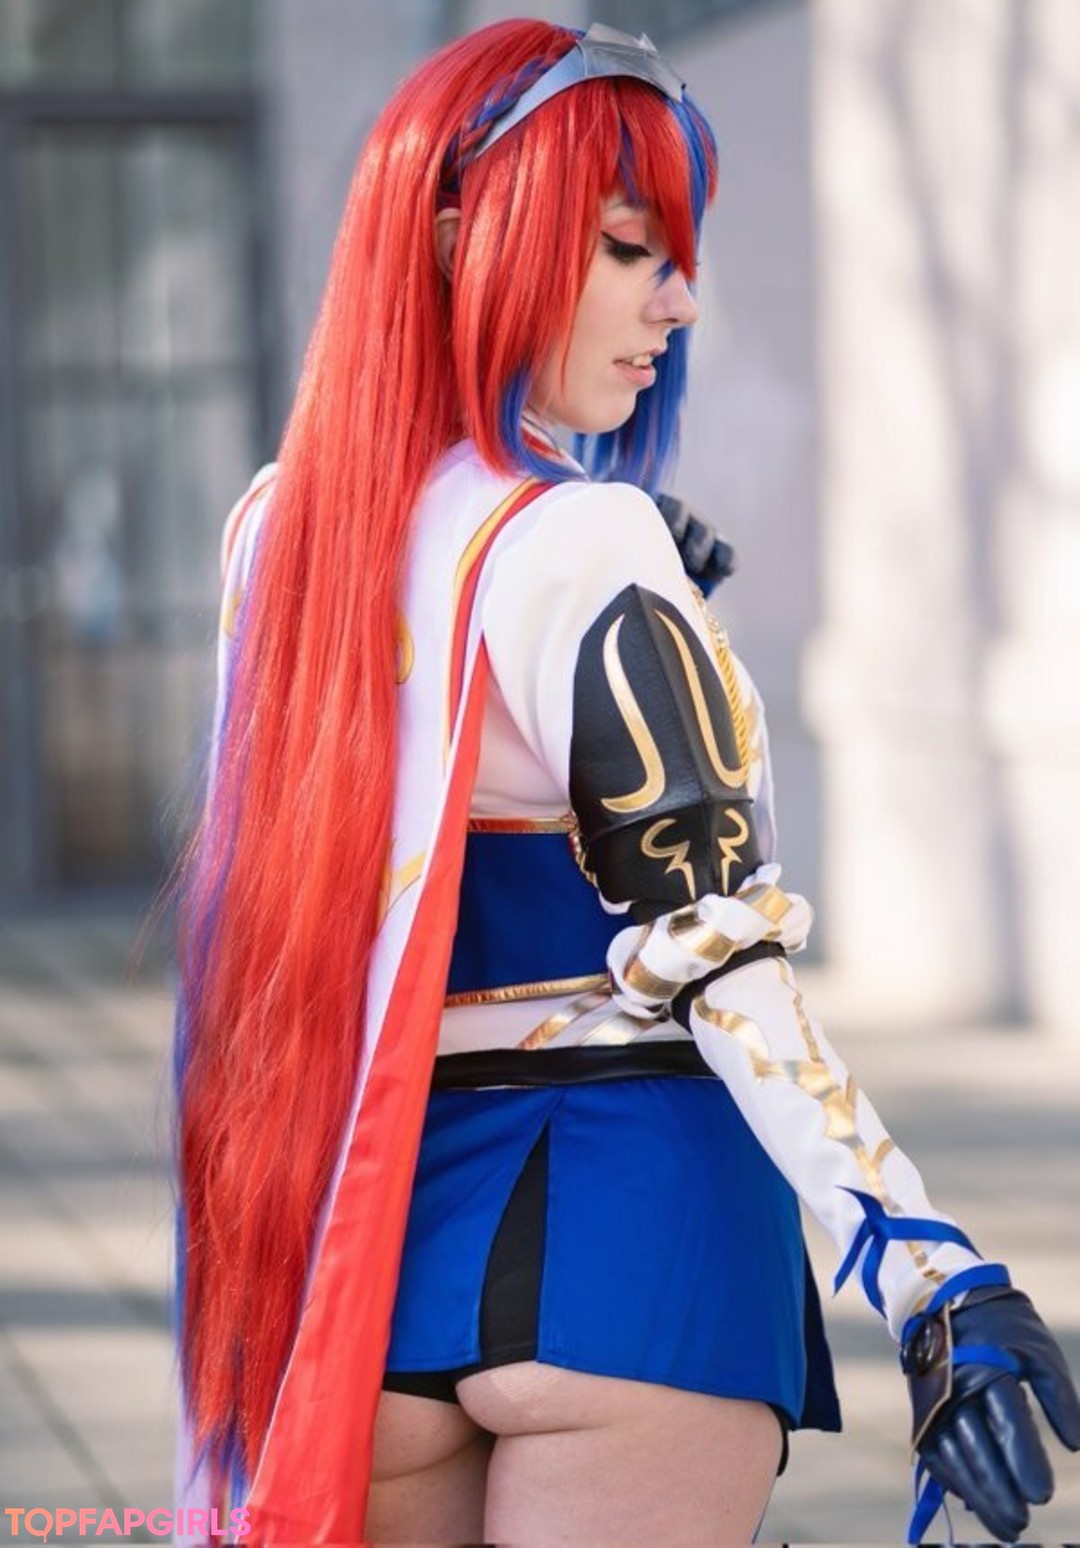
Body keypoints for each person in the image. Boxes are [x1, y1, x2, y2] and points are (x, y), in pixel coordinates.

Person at [173, 19, 1080, 1546]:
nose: (679, 298)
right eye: (624, 246)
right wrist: (932, 1271)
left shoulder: (276, 532)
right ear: (464, 238)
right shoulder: (583, 542)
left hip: (373, 1245)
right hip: (640, 1230)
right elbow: (718, 957)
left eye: (677, 252)